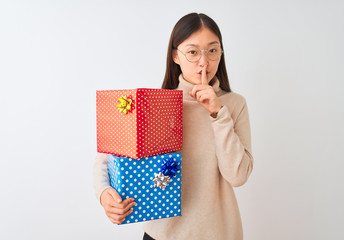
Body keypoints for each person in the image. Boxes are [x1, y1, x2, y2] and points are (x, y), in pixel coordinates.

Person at [93, 12, 254, 240]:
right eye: (192, 52)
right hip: (162, 234)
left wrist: (218, 114)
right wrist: (104, 194)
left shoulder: (234, 104)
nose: (204, 61)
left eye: (212, 50)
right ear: (175, 56)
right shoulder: (154, 103)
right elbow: (106, 158)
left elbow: (238, 176)